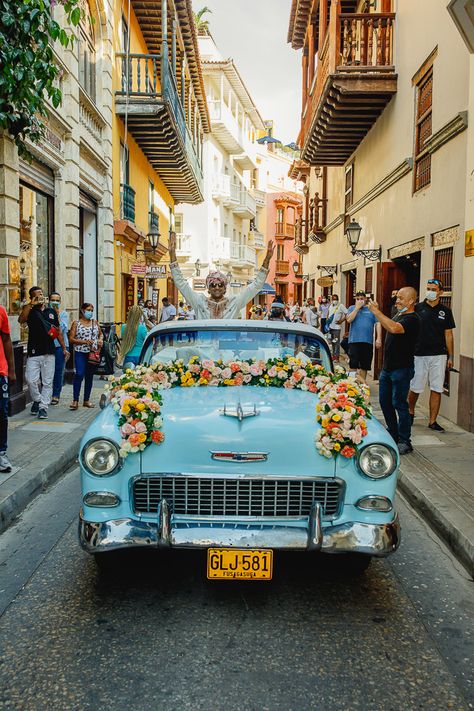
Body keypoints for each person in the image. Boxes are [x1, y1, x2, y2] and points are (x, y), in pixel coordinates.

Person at [168, 232, 274, 318]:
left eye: (220, 285)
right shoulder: (200, 302)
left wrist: (267, 260)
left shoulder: (234, 302)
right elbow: (181, 284)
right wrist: (172, 255)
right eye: (213, 285)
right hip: (204, 344)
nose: (217, 287)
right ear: (208, 289)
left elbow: (255, 286)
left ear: (225, 288)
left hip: (227, 344)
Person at [368, 287, 421, 455]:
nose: (397, 301)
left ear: (411, 301)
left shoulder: (413, 318)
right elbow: (387, 324)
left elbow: (394, 328)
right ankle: (393, 433)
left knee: (400, 404)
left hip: (402, 369)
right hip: (387, 369)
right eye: (397, 297)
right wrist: (378, 313)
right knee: (385, 403)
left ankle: (405, 440)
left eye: (401, 298)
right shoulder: (399, 313)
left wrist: (377, 312)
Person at [408, 279, 456, 432]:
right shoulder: (417, 308)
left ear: (440, 292)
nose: (430, 291)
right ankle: (410, 413)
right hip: (419, 354)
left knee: (437, 388)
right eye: (428, 288)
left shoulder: (445, 311)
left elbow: (449, 335)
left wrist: (451, 356)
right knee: (415, 387)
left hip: (439, 355)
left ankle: (432, 421)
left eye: (433, 289)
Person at [19, 286, 69, 420]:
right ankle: (37, 399)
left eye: (41, 294)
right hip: (34, 351)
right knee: (31, 379)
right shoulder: (29, 310)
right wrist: (31, 304)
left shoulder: (50, 311)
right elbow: (21, 320)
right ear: (32, 297)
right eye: (37, 295)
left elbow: (57, 331)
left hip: (49, 351)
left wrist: (64, 348)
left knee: (47, 382)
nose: (41, 296)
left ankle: (43, 407)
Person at [69, 303, 103, 410]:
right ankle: (75, 400)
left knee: (89, 376)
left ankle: (86, 400)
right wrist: (83, 342)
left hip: (92, 352)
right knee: (79, 374)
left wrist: (100, 340)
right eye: (88, 310)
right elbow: (71, 339)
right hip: (80, 352)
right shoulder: (76, 323)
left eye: (92, 310)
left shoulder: (95, 322)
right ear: (82, 311)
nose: (90, 312)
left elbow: (100, 334)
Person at [345, 291, 382, 381]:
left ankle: (362, 385)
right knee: (353, 365)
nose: (360, 301)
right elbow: (349, 320)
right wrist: (357, 308)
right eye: (358, 299)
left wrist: (379, 338)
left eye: (362, 299)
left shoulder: (371, 309)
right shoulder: (351, 308)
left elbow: (378, 323)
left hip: (367, 341)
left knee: (364, 366)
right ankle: (351, 384)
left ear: (365, 299)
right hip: (354, 341)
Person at [0, 305, 15, 472]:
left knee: (1, 413)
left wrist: (11, 370)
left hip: (0, 371)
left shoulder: (1, 311)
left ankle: (1, 453)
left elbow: (6, 339)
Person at [49, 292, 69, 405]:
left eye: (57, 300)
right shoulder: (46, 313)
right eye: (53, 300)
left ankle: (56, 395)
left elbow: (63, 329)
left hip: (60, 346)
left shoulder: (64, 314)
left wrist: (57, 316)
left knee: (58, 370)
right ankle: (47, 393)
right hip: (48, 345)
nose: (55, 302)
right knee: (47, 371)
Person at [327, 294, 347, 361]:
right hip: (330, 327)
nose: (334, 300)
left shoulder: (340, 306)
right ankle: (333, 355)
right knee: (332, 342)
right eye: (333, 299)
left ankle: (337, 357)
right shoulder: (331, 305)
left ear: (338, 299)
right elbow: (329, 313)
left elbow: (347, 313)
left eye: (336, 299)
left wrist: (341, 321)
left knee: (336, 342)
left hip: (336, 327)